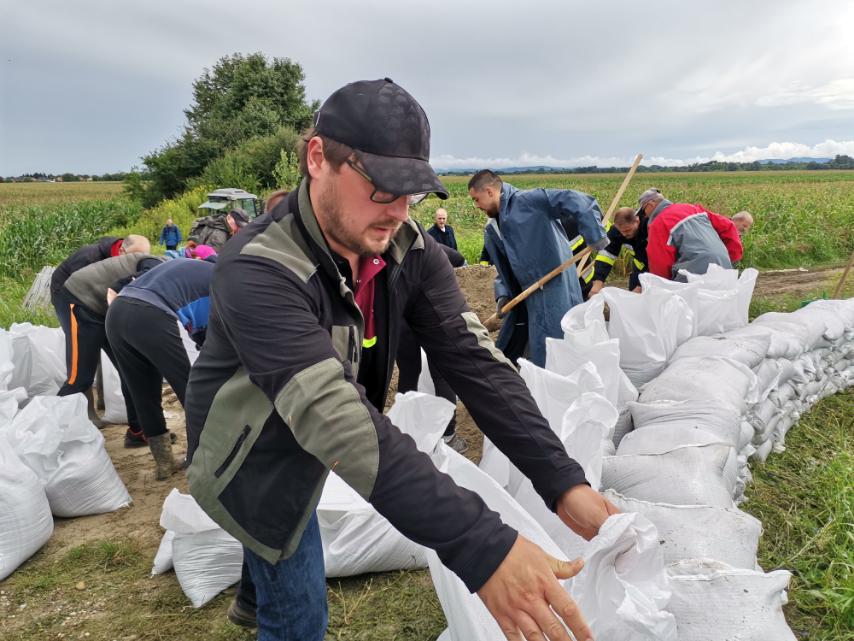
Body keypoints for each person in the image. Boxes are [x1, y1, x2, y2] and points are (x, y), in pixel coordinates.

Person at [185, 78, 616, 641]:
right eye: (382, 187)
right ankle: (269, 598)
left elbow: (474, 360)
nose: (397, 212)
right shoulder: (259, 269)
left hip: (316, 431)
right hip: (255, 452)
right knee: (297, 608)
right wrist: (484, 548)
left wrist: (562, 481)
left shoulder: (407, 247)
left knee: (275, 553)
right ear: (317, 158)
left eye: (410, 193)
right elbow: (335, 418)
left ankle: (253, 592)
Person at [469, 170, 608, 367]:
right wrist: (503, 294)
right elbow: (507, 267)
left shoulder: (528, 201)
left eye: (476, 199)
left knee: (558, 345)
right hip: (528, 296)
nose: (476, 205)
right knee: (525, 347)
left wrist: (595, 235)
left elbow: (578, 201)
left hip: (556, 289)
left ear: (490, 192)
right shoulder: (493, 228)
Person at [105, 256, 216, 479]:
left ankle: (164, 463)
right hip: (150, 314)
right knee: (191, 389)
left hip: (116, 313)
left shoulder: (189, 267)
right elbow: (207, 338)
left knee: (143, 393)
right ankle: (200, 458)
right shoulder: (219, 282)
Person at [59, 252, 166, 446]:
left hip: (109, 308)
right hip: (80, 300)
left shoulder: (168, 275)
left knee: (132, 370)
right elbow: (124, 288)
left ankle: (138, 431)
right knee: (80, 377)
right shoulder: (157, 268)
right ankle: (53, 434)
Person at [50, 234, 151, 424]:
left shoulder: (125, 261)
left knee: (128, 366)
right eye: (134, 256)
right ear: (122, 251)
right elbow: (76, 289)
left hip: (104, 308)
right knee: (81, 371)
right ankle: (57, 424)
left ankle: (137, 426)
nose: (136, 262)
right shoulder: (89, 257)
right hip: (74, 304)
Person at [395, 242, 467, 454]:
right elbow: (458, 258)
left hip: (400, 319)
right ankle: (449, 435)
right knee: (442, 376)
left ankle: (406, 427)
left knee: (408, 372)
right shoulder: (423, 244)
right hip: (433, 315)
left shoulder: (381, 249)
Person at [640, 188, 743, 281]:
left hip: (694, 275)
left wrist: (660, 286)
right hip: (723, 267)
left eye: (643, 211)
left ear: (651, 203)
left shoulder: (658, 223)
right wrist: (730, 258)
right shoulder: (694, 208)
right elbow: (728, 226)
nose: (645, 216)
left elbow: (659, 263)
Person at [589, 206, 650, 295]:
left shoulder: (649, 228)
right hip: (638, 270)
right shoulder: (616, 231)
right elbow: (606, 255)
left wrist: (641, 285)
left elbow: (657, 259)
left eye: (628, 230)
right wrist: (598, 280)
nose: (624, 234)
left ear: (637, 221)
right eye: (621, 231)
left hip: (655, 271)